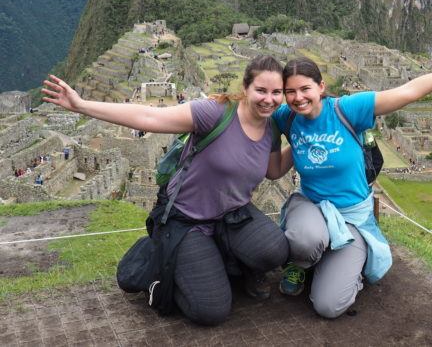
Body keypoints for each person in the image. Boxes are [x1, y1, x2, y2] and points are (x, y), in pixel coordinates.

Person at [42, 55, 290, 326]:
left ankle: (228, 265)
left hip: (231, 217)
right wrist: (81, 105)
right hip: (186, 218)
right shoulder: (215, 112)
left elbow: (273, 170)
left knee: (275, 250)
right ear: (246, 88)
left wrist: (306, 143)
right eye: (261, 90)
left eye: (276, 92)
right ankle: (156, 256)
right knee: (210, 310)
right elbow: (148, 116)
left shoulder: (271, 127)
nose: (269, 99)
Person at [267, 39, 432, 318]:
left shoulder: (347, 109)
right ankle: (301, 264)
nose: (298, 97)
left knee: (329, 307)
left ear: (321, 87)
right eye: (290, 92)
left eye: (305, 88)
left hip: (352, 216)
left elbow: (408, 92)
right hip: (311, 206)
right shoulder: (285, 118)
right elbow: (251, 112)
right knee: (305, 240)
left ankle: (343, 264)